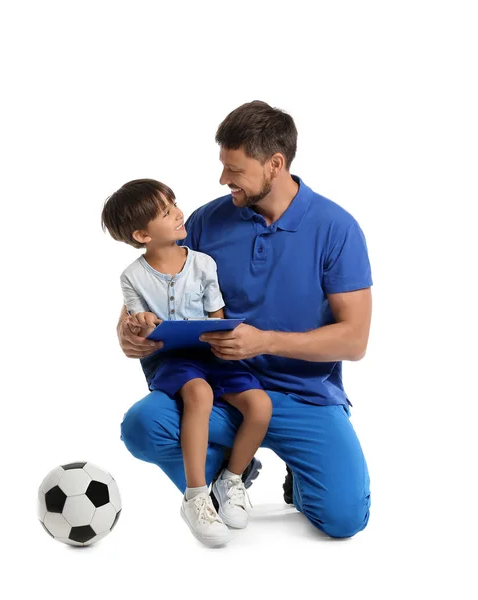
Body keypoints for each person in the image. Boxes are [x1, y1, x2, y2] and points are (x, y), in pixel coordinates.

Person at [117, 100, 373, 541]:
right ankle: (228, 476)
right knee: (142, 425)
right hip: (220, 388)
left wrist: (264, 342)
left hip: (304, 396)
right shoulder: (205, 221)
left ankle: (301, 478)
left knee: (344, 519)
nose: (222, 179)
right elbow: (157, 284)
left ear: (275, 164)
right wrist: (127, 330)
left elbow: (354, 340)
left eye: (234, 169)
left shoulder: (336, 228)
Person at [102, 179, 273, 547]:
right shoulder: (131, 277)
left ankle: (232, 477)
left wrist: (224, 333)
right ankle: (196, 495)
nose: (179, 213)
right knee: (198, 393)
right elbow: (139, 321)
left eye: (174, 204)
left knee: (260, 405)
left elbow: (217, 315)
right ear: (141, 234)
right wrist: (141, 324)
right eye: (167, 212)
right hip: (173, 360)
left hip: (212, 352)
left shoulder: (203, 263)